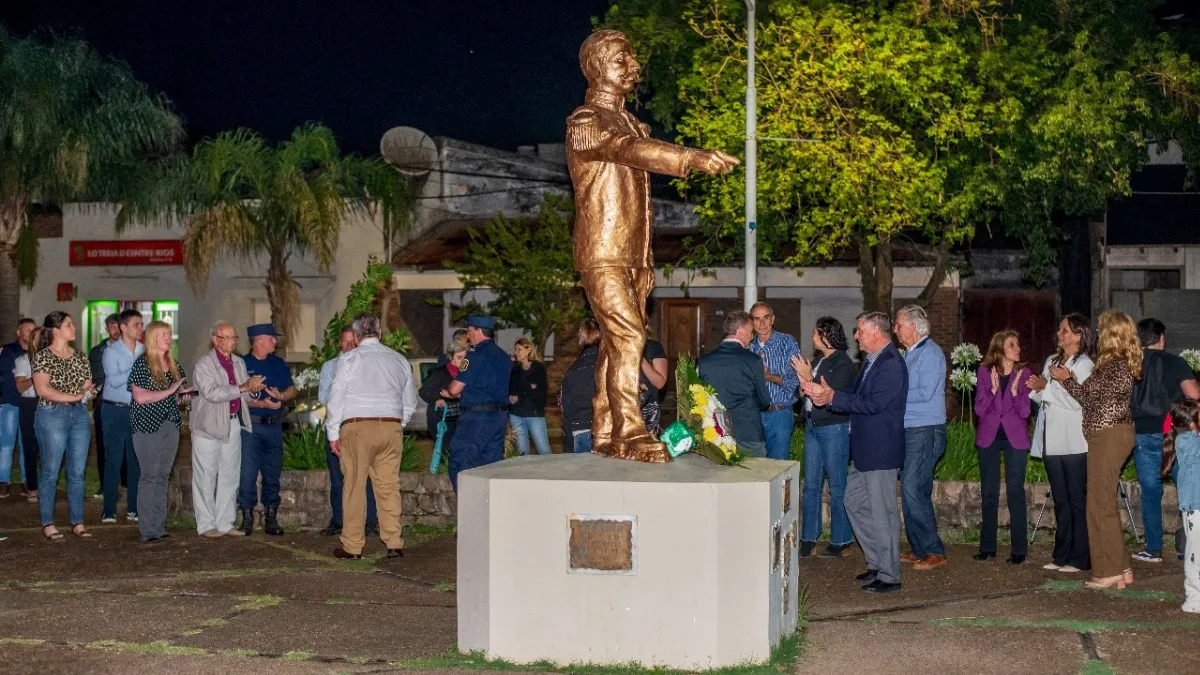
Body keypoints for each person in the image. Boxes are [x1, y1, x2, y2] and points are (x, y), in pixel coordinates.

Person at [567, 29, 737, 462]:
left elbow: (633, 150)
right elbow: (628, 150)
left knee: (613, 341)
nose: (632, 67)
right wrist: (691, 158)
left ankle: (606, 430)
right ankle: (631, 427)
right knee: (629, 334)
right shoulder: (586, 122)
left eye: (632, 59)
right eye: (621, 59)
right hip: (603, 251)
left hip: (635, 254)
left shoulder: (630, 121)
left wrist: (645, 258)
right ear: (596, 66)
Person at [803, 311, 908, 594]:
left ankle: (890, 575)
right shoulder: (873, 361)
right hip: (865, 450)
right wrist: (833, 396)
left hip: (881, 450)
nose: (856, 336)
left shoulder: (891, 364)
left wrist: (833, 397)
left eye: (860, 330)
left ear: (876, 331)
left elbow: (874, 404)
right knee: (852, 501)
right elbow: (860, 399)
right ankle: (877, 562)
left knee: (882, 513)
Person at [1053, 309, 1141, 590]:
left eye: (1104, 331)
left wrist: (1069, 380)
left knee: (1099, 503)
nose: (1099, 336)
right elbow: (1086, 397)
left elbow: (1096, 398)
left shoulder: (1119, 364)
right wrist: (1067, 380)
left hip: (1111, 434)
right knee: (1102, 501)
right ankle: (1122, 566)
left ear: (1114, 334)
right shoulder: (1109, 364)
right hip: (1103, 435)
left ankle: (1108, 570)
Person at [325, 313, 416, 560]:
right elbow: (409, 400)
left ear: (355, 336)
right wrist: (399, 422)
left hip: (357, 427)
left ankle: (353, 546)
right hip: (390, 427)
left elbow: (336, 395)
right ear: (380, 333)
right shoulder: (398, 359)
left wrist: (333, 432)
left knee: (354, 486)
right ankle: (394, 543)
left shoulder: (350, 359)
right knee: (388, 486)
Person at [1027, 314, 1096, 573]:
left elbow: (1077, 402)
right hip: (1052, 441)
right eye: (1060, 330)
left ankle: (1081, 557)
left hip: (1075, 442)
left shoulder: (1085, 365)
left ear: (1078, 335)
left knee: (1077, 500)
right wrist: (1038, 387)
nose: (1060, 333)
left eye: (1065, 330)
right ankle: (1061, 554)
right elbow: (1045, 398)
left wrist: (1048, 388)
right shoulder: (1052, 361)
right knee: (1061, 500)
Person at [1130, 318, 1200, 564]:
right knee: (1187, 489)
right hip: (1174, 433)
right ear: (1161, 338)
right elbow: (1194, 395)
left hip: (1141, 433)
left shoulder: (1131, 364)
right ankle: (1187, 546)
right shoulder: (1175, 362)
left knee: (1150, 492)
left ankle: (1154, 549)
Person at [191, 322, 264, 537]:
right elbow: (212, 393)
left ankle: (225, 522)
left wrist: (255, 390)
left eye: (234, 337)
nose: (231, 342)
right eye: (226, 337)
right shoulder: (204, 364)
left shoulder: (239, 362)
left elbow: (245, 394)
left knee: (230, 474)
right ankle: (206, 524)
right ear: (214, 339)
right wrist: (244, 387)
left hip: (233, 422)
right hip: (208, 426)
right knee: (206, 475)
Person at [892, 305, 950, 570]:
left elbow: (925, 393)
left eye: (898, 324)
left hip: (925, 429)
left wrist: (893, 395)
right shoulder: (911, 354)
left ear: (913, 327)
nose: (895, 329)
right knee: (914, 489)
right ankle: (919, 548)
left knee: (912, 488)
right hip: (912, 429)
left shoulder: (931, 353)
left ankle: (934, 550)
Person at [791, 316, 855, 558]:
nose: (813, 337)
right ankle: (808, 536)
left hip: (833, 427)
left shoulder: (843, 363)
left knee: (837, 485)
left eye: (816, 333)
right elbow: (807, 392)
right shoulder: (819, 360)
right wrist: (802, 382)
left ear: (826, 335)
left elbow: (826, 394)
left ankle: (841, 539)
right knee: (811, 485)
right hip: (813, 425)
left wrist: (808, 378)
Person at [33, 311, 96, 542]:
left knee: (77, 472)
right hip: (51, 414)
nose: (74, 328)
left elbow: (87, 386)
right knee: (50, 470)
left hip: (78, 415)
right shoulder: (43, 357)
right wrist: (75, 396)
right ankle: (48, 522)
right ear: (56, 330)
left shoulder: (80, 357)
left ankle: (77, 521)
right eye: (69, 324)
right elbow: (43, 390)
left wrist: (89, 392)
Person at [128, 321, 191, 543]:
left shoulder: (174, 366)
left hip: (169, 424)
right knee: (149, 476)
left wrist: (183, 395)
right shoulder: (142, 364)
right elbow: (140, 397)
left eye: (169, 333)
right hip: (147, 425)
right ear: (153, 337)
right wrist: (171, 390)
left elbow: (174, 396)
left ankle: (159, 525)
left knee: (163, 475)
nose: (168, 337)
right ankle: (147, 528)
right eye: (164, 334)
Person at [974, 330, 1033, 565]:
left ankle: (1019, 549)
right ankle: (987, 546)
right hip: (989, 436)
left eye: (1018, 344)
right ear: (999, 349)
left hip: (1015, 437)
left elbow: (1025, 412)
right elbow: (979, 410)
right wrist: (992, 391)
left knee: (1015, 491)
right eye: (1012, 345)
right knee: (989, 491)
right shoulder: (984, 372)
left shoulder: (1024, 373)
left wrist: (1018, 393)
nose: (1017, 348)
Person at [317, 326, 377, 537]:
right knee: (337, 477)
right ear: (339, 343)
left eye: (354, 341)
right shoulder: (329, 367)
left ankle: (369, 523)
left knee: (367, 475)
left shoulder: (368, 366)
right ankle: (339, 520)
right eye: (345, 341)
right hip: (339, 428)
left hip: (362, 427)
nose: (350, 345)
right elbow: (324, 397)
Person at [238, 323, 296, 536]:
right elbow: (235, 396)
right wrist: (260, 404)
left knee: (273, 473)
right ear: (259, 340)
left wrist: (282, 396)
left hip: (274, 426)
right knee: (247, 473)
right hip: (250, 426)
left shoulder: (278, 363)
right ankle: (247, 516)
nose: (275, 341)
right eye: (271, 337)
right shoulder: (241, 364)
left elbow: (291, 389)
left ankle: (271, 516)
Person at [443, 315, 511, 491]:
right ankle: (490, 512)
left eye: (469, 330)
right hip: (499, 418)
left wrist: (451, 390)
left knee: (461, 465)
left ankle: (469, 513)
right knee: (491, 468)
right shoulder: (504, 356)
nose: (467, 334)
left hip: (476, 419)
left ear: (478, 331)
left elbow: (455, 389)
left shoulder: (474, 355)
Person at [698, 311, 771, 457]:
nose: (752, 336)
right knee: (754, 478)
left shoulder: (704, 361)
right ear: (740, 332)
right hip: (748, 432)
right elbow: (764, 401)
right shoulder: (753, 360)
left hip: (716, 433)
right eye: (751, 332)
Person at [100, 309, 144, 523]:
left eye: (141, 324)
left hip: (137, 408)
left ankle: (133, 508)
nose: (140, 328)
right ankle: (108, 509)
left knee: (135, 460)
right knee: (113, 461)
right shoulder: (111, 351)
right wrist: (137, 369)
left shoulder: (144, 350)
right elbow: (115, 380)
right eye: (136, 324)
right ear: (123, 327)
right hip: (114, 409)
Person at [748, 302, 802, 460]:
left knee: (778, 468)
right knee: (754, 468)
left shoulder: (787, 342)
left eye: (766, 318)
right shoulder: (747, 346)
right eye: (757, 319)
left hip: (779, 414)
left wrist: (768, 377)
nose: (762, 323)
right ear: (751, 323)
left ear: (773, 319)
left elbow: (793, 381)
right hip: (752, 416)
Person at [1162, 400, 1200, 613]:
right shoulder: (1186, 440)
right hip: (1195, 505)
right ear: (1193, 422)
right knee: (1195, 553)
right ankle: (1193, 598)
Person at [418, 340, 466, 466]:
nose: (462, 360)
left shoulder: (466, 374)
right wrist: (437, 398)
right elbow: (424, 391)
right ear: (450, 357)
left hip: (459, 417)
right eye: (459, 357)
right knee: (446, 451)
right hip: (441, 418)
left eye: (465, 357)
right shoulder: (441, 373)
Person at [88, 313, 119, 499]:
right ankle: (106, 486)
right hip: (105, 405)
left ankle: (125, 486)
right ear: (106, 329)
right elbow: (99, 378)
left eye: (118, 326)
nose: (115, 330)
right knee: (104, 448)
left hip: (130, 405)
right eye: (111, 326)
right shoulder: (98, 351)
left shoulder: (136, 350)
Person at [562, 319, 601, 453]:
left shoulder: (572, 370)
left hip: (580, 428)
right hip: (604, 429)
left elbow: (566, 408)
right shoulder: (609, 365)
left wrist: (568, 446)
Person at [0, 320, 29, 497]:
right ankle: (4, 481)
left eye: (33, 329)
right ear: (19, 332)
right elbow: (7, 377)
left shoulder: (40, 352)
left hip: (30, 404)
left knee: (27, 445)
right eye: (26, 329)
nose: (30, 332)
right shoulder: (9, 351)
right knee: (6, 444)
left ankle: (27, 481)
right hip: (11, 402)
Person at [508, 338, 551, 456]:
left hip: (534, 414)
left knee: (544, 450)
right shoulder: (514, 369)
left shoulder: (538, 368)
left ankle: (551, 473)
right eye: (515, 349)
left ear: (528, 350)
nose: (516, 352)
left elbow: (540, 392)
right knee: (522, 453)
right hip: (516, 415)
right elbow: (512, 390)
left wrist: (520, 394)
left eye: (519, 349)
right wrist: (527, 388)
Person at [12, 318, 40, 501]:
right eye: (37, 338)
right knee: (30, 446)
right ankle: (32, 487)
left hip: (47, 404)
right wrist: (36, 378)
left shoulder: (52, 359)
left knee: (47, 448)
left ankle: (46, 485)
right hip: (29, 404)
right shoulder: (23, 360)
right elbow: (20, 387)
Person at [639, 331, 668, 436]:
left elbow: (660, 383)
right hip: (622, 409)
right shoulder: (615, 345)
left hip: (648, 411)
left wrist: (639, 357)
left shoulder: (653, 346)